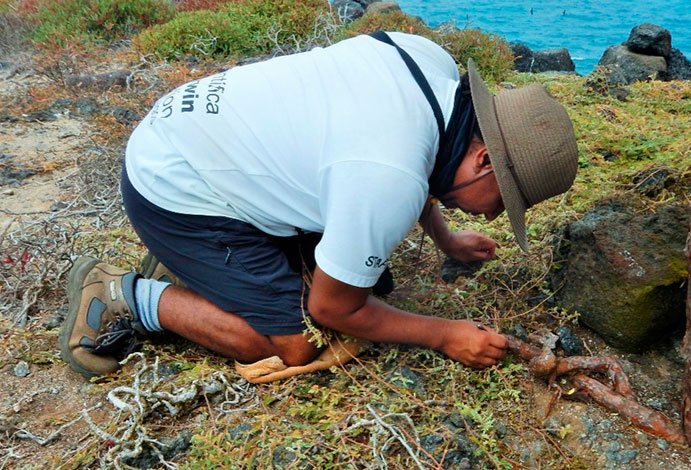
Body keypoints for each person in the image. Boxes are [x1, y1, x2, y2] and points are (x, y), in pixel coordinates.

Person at [58, 31, 578, 381]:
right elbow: (334, 308)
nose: (492, 216)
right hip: (171, 186)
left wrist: (444, 237)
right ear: (485, 159)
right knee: (293, 342)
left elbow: (418, 159)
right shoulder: (387, 177)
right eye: (506, 201)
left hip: (200, 137)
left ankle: (204, 266)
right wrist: (445, 335)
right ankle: (126, 293)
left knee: (373, 285)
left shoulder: (426, 60)